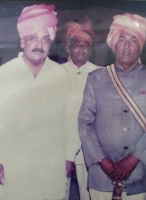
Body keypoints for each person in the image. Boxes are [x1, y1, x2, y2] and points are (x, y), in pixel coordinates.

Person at [0, 4, 79, 200]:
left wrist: (69, 155)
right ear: (22, 42)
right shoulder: (4, 74)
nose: (40, 44)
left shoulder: (61, 75)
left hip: (51, 162)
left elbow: (71, 120)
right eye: (33, 38)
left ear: (50, 43)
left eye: (45, 39)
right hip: (14, 163)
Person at [78, 13, 146, 200]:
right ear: (114, 44)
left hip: (141, 175)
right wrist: (102, 161)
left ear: (140, 47)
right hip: (101, 176)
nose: (127, 46)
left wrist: (133, 159)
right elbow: (85, 124)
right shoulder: (95, 79)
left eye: (133, 40)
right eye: (122, 39)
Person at [62, 18, 99, 200]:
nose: (81, 48)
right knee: (59, 192)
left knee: (89, 194)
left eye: (86, 45)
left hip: (89, 148)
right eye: (77, 44)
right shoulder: (56, 72)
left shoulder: (100, 74)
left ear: (90, 50)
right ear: (69, 48)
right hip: (61, 146)